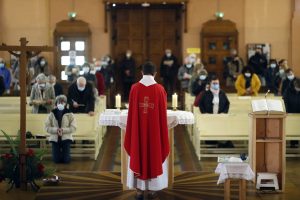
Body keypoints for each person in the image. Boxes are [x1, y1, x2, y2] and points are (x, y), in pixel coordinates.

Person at [124, 62, 169, 199]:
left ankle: (139, 190)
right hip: (155, 132)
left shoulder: (135, 88)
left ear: (141, 73)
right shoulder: (160, 89)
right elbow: (163, 116)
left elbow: (131, 114)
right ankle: (152, 189)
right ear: (155, 74)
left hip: (138, 132)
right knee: (154, 153)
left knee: (138, 152)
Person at [199, 76, 232, 148]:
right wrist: (204, 113)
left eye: (217, 83)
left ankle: (221, 143)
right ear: (210, 84)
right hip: (209, 117)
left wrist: (224, 113)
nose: (215, 85)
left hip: (220, 117)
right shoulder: (205, 93)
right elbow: (200, 104)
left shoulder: (222, 93)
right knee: (210, 136)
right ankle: (211, 143)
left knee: (220, 131)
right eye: (214, 83)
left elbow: (227, 103)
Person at [45, 95, 76, 163]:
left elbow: (73, 127)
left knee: (66, 161)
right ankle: (59, 155)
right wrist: (56, 130)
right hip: (55, 138)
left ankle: (64, 155)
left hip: (66, 138)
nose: (61, 104)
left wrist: (63, 130)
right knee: (56, 160)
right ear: (56, 103)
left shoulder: (70, 113)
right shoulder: (52, 113)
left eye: (63, 102)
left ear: (65, 104)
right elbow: (47, 127)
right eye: (59, 102)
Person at [283, 77, 300, 148]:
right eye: (297, 87)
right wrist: (286, 111)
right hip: (290, 112)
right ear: (294, 85)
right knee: (292, 128)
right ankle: (293, 144)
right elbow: (285, 100)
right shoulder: (288, 90)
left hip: (299, 113)